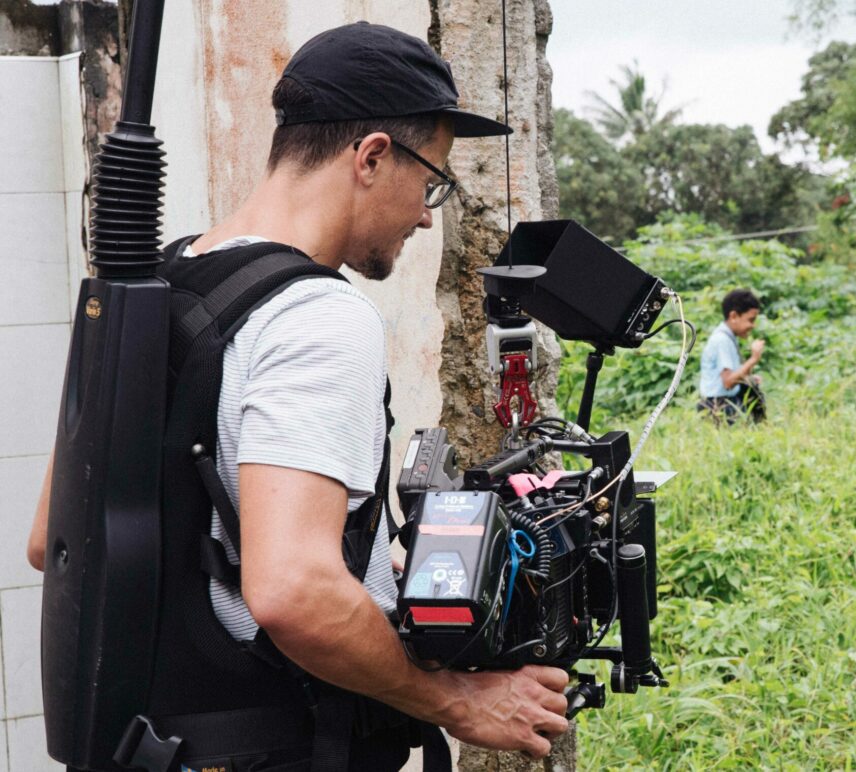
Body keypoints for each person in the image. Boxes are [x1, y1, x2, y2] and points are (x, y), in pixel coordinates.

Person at [26, 22, 567, 769]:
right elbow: (290, 590)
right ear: (373, 156)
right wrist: (457, 701)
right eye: (431, 180)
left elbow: (52, 541)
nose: (425, 213)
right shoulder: (317, 316)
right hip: (278, 746)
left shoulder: (159, 282)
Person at [698, 288, 765, 422]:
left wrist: (748, 377)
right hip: (719, 405)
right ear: (733, 316)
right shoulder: (722, 340)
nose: (753, 325)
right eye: (750, 320)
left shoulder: (728, 337)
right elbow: (728, 382)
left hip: (722, 403)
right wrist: (753, 359)